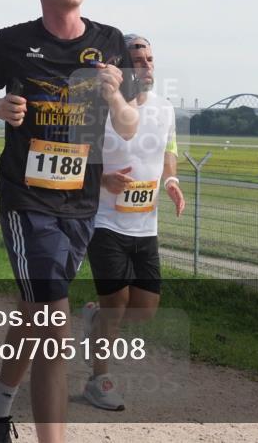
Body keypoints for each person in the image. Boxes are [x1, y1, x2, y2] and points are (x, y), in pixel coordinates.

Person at [0, 0, 138, 443]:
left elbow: (128, 125)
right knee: (55, 320)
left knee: (38, 311)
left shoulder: (109, 42)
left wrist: (114, 98)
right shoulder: (12, 41)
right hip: (26, 197)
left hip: (80, 201)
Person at [81, 33, 184, 411]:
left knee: (144, 308)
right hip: (105, 219)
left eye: (150, 58)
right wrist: (101, 179)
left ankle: (92, 318)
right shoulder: (100, 107)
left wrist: (171, 180)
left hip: (146, 222)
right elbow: (78, 154)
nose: (147, 65)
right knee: (117, 303)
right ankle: (99, 379)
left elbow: (168, 150)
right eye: (138, 59)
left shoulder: (165, 109)